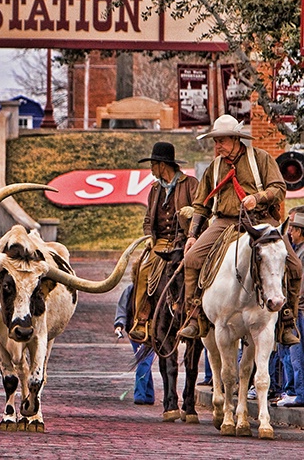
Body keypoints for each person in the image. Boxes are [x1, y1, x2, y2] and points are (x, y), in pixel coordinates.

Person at [178, 114, 301, 345]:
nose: (217, 146)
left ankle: (286, 320)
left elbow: (279, 188)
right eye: (215, 141)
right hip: (225, 221)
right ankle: (194, 316)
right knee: (192, 259)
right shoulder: (214, 168)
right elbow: (200, 205)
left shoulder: (260, 159)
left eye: (221, 141)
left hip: (261, 222)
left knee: (294, 265)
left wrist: (257, 197)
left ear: (236, 140)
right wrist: (192, 235)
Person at [128, 142, 198, 342]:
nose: (151, 169)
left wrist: (192, 216)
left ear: (162, 165)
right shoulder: (155, 189)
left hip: (186, 241)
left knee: (197, 271)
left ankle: (197, 316)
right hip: (160, 243)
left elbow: (202, 210)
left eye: (153, 165)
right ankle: (142, 320)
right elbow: (148, 220)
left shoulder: (190, 184)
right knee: (142, 271)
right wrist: (149, 236)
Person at [278, 211, 304, 406]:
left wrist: (295, 302)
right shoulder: (297, 250)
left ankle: (299, 393)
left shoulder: (300, 253)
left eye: (293, 229)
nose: (291, 233)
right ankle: (292, 390)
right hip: (296, 306)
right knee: (289, 353)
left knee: (296, 354)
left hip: (299, 308)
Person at [115, 283, 155, 405]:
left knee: (144, 360)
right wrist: (119, 324)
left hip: (153, 331)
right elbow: (122, 307)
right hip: (135, 331)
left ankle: (142, 394)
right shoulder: (131, 289)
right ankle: (148, 394)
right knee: (144, 360)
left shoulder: (158, 288)